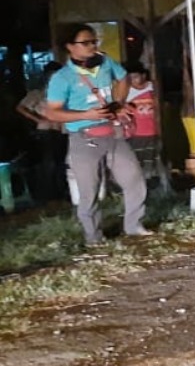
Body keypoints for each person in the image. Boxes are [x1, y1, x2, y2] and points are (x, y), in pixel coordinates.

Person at [42, 24, 150, 244]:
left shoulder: (105, 62)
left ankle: (133, 225)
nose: (92, 46)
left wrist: (117, 103)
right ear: (70, 47)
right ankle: (94, 238)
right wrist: (86, 114)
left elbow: (123, 78)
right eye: (86, 43)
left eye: (94, 41)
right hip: (84, 137)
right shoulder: (62, 78)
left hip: (113, 133)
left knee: (134, 178)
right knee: (89, 191)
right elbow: (52, 113)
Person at [15, 63, 68, 202]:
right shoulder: (38, 93)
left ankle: (61, 193)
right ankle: (49, 196)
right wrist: (38, 119)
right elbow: (21, 108)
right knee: (49, 163)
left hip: (62, 130)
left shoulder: (65, 92)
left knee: (61, 162)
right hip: (46, 132)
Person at [124, 64, 159, 179]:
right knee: (138, 159)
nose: (132, 81)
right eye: (129, 78)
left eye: (135, 77)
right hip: (137, 133)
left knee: (153, 158)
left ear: (143, 76)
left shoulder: (153, 88)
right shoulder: (126, 92)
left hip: (154, 131)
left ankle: (152, 180)